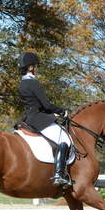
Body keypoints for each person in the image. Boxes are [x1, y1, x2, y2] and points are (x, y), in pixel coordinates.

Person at [17, 51, 72, 187]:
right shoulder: (34, 83)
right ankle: (59, 174)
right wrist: (62, 111)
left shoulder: (22, 84)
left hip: (28, 118)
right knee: (64, 139)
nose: (36, 68)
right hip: (38, 118)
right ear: (30, 67)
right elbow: (46, 105)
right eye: (35, 66)